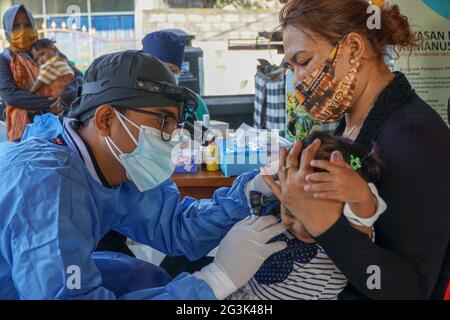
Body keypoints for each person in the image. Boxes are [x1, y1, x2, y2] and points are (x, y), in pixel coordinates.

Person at [0, 50, 287, 300]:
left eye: (173, 125)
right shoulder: (46, 187)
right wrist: (215, 280)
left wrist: (251, 191)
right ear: (105, 119)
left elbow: (176, 226)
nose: (172, 137)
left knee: (140, 276)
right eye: (162, 121)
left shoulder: (118, 164)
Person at [262, 0, 450, 299]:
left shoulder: (414, 137)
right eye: (291, 67)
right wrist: (296, 211)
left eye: (305, 61)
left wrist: (324, 225)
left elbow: (412, 290)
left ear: (352, 47)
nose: (297, 81)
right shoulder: (350, 125)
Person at [230, 131, 386, 300]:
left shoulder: (348, 234)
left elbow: (363, 217)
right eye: (291, 211)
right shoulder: (279, 202)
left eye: (311, 216)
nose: (298, 227)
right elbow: (248, 196)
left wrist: (362, 195)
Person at [0, 4, 82, 141]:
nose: (22, 30)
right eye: (16, 26)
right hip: (25, 130)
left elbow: (77, 76)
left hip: (62, 122)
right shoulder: (4, 59)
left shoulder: (45, 49)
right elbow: (11, 96)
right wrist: (51, 102)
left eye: (27, 25)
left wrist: (67, 94)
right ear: (7, 29)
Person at [142, 29, 210, 122]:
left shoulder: (194, 102)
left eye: (172, 70)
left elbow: (204, 132)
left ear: (179, 71)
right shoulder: (134, 101)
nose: (166, 75)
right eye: (160, 69)